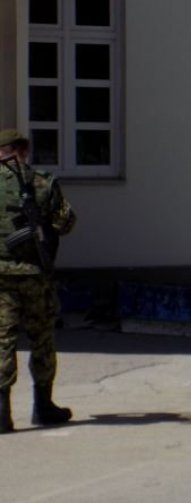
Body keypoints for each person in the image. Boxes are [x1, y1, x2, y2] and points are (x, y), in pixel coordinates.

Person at [0, 129, 77, 434]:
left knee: (2, 339)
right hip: (35, 275)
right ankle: (43, 406)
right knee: (42, 338)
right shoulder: (43, 181)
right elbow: (66, 222)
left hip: (1, 277)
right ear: (24, 150)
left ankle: (2, 413)